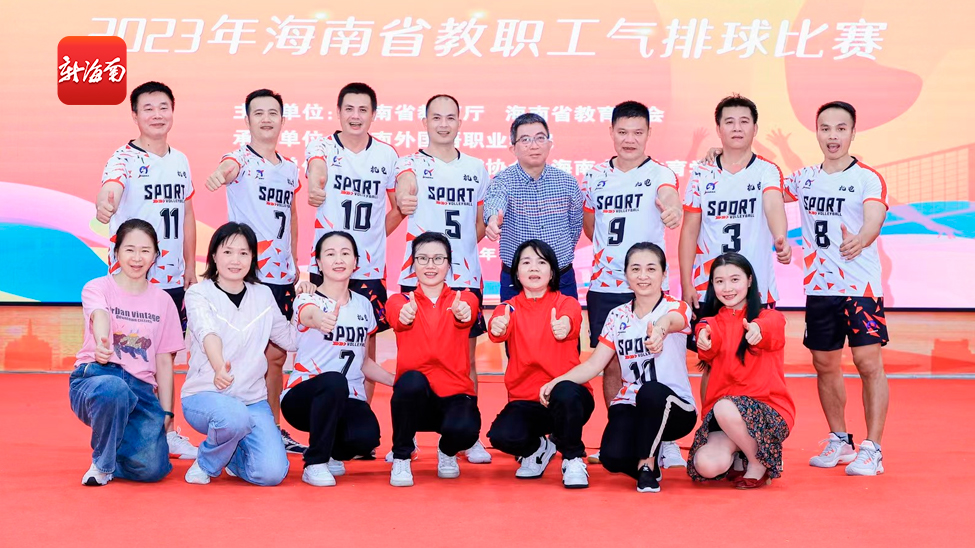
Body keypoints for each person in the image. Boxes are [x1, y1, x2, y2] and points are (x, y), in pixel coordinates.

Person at [94, 81, 199, 460]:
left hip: (171, 278)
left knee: (165, 357)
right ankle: (126, 430)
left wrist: (190, 265)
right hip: (133, 280)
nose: (157, 115)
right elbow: (110, 189)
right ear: (135, 115)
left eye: (163, 107)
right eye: (148, 108)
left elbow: (187, 214)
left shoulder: (180, 160)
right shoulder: (122, 159)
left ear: (173, 111)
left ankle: (166, 429)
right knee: (131, 356)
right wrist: (105, 203)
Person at [783, 101, 889, 476]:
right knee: (825, 364)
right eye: (825, 128)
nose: (832, 136)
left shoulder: (867, 178)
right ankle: (840, 440)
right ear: (817, 131)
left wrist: (862, 237)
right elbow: (764, 187)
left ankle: (872, 448)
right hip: (819, 288)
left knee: (868, 364)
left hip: (860, 287)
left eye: (841, 129)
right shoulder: (804, 178)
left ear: (853, 133)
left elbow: (875, 216)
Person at [541, 243, 696, 493]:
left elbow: (674, 320)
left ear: (664, 274)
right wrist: (556, 381)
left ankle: (646, 466)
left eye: (651, 269)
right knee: (612, 457)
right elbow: (594, 364)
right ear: (626, 275)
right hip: (632, 403)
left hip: (675, 408)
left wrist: (660, 330)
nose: (643, 276)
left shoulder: (674, 307)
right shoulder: (617, 316)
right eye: (635, 269)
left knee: (651, 391)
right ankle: (650, 456)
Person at [581, 100, 686, 469]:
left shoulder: (660, 173)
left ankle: (665, 439)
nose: (629, 139)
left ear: (648, 134)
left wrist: (673, 210)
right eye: (622, 132)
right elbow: (590, 224)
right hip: (604, 285)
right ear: (611, 132)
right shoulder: (594, 175)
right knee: (612, 363)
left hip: (647, 287)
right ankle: (621, 432)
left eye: (637, 132)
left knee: (659, 359)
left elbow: (669, 198)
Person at [205, 88, 308, 454]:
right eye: (259, 113)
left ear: (282, 120)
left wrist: (294, 262)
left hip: (281, 277)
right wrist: (220, 175)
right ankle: (232, 427)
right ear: (248, 119)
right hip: (247, 276)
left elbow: (292, 216)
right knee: (241, 352)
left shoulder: (290, 169)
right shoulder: (240, 159)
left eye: (273, 113)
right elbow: (227, 169)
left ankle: (273, 427)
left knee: (276, 356)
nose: (266, 119)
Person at [392, 94, 492, 464]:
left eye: (451, 117)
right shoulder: (410, 163)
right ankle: (406, 437)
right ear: (425, 122)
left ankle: (467, 435)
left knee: (466, 360)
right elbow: (404, 186)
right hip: (418, 276)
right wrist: (405, 192)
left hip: (464, 277)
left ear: (460, 122)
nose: (444, 124)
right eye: (436, 117)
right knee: (414, 361)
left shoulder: (476, 168)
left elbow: (479, 223)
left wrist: (457, 255)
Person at [69, 219, 184, 486]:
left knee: (153, 470)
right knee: (114, 390)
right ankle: (102, 465)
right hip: (97, 377)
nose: (137, 258)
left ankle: (117, 450)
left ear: (155, 255)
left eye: (145, 250)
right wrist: (102, 342)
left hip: (141, 390)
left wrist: (167, 414)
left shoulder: (164, 301)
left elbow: (164, 362)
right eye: (130, 249)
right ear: (116, 252)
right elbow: (100, 315)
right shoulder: (97, 287)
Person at [180, 223, 295, 486]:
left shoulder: (263, 294)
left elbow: (288, 338)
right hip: (205, 394)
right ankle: (206, 462)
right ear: (214, 255)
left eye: (244, 253)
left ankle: (231, 455)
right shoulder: (199, 293)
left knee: (271, 474)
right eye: (228, 252)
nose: (236, 260)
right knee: (233, 418)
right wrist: (219, 366)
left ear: (253, 257)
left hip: (251, 400)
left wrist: (307, 307)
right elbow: (207, 332)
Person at [305, 82, 400, 403]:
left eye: (362, 110)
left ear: (373, 114)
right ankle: (323, 413)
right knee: (322, 338)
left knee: (365, 346)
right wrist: (316, 184)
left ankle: (363, 414)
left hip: (369, 267)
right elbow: (316, 168)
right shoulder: (322, 147)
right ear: (338, 112)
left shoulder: (386, 155)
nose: (355, 116)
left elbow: (400, 207)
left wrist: (373, 235)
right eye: (349, 109)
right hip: (328, 265)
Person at [281, 231, 396, 486]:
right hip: (303, 396)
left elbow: (363, 361)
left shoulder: (363, 305)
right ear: (318, 263)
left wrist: (395, 381)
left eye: (345, 253)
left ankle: (333, 451)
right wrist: (319, 319)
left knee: (366, 437)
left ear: (356, 261)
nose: (338, 259)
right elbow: (308, 315)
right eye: (330, 254)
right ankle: (315, 463)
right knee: (333, 381)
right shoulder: (307, 298)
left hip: (347, 397)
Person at [485, 240, 593, 488]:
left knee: (565, 392)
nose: (534, 267)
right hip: (527, 400)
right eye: (526, 262)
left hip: (569, 399)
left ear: (552, 272)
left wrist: (564, 325)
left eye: (541, 262)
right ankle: (539, 449)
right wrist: (497, 326)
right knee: (501, 436)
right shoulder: (508, 308)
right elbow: (496, 328)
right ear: (516, 273)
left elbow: (571, 319)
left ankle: (573, 458)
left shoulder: (566, 303)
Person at [686, 253, 795, 489]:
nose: (727, 288)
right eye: (720, 281)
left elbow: (772, 326)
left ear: (749, 280)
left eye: (735, 279)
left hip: (768, 411)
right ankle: (742, 451)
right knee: (705, 465)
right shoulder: (711, 323)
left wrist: (757, 328)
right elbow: (706, 331)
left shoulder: (770, 317)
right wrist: (703, 336)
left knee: (724, 406)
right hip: (725, 418)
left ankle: (759, 462)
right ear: (712, 285)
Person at [385, 232, 482, 487]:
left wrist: (463, 312)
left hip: (454, 393)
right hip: (415, 399)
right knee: (410, 382)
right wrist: (404, 315)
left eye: (438, 259)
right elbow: (396, 315)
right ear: (412, 264)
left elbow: (469, 311)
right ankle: (402, 456)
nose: (431, 265)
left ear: (449, 264)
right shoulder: (399, 300)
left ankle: (447, 451)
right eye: (423, 258)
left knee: (467, 430)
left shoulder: (465, 298)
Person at [483, 113, 583, 300]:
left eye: (540, 138)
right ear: (513, 148)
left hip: (561, 277)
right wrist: (493, 220)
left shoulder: (568, 183)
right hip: (516, 281)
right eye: (525, 140)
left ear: (549, 144)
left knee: (566, 320)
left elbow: (575, 226)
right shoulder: (502, 181)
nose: (534, 145)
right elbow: (495, 203)